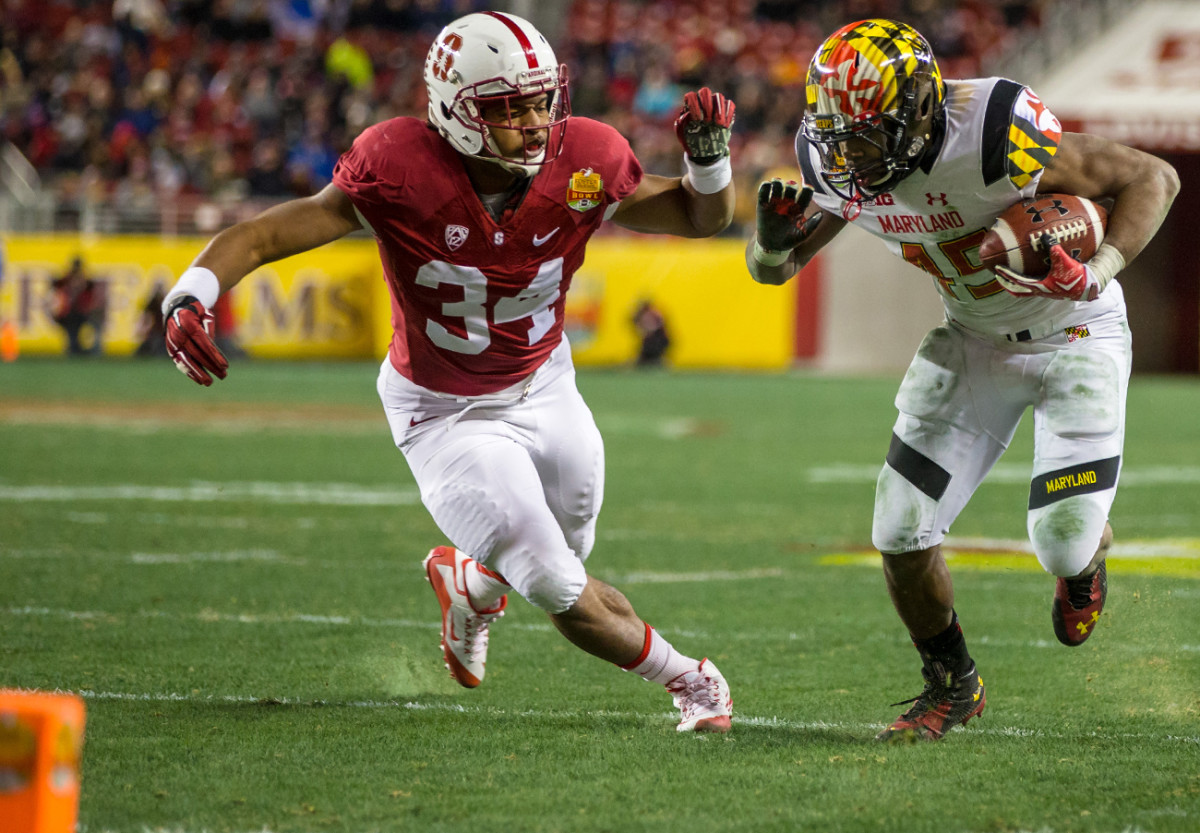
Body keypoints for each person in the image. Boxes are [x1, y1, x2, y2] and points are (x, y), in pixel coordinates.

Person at [160, 11, 737, 733]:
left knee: (572, 544)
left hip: (545, 381)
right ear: (456, 111)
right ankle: (693, 681)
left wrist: (709, 161)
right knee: (555, 578)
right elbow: (274, 228)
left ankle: (468, 581)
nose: (533, 122)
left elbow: (700, 216)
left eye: (539, 100)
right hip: (445, 410)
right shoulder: (399, 164)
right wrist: (193, 291)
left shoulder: (586, 155)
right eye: (509, 108)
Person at [745, 19, 1179, 742]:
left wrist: (1097, 272)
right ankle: (952, 683)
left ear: (919, 109)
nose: (847, 151)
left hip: (1075, 331)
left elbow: (1151, 176)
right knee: (899, 529)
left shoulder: (995, 134)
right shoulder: (837, 160)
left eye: (865, 132)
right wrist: (768, 242)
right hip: (974, 339)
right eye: (838, 133)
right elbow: (777, 269)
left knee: (1064, 543)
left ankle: (1086, 559)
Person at [49, 256, 107, 356]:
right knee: (72, 332)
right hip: (70, 316)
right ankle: (75, 350)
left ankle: (93, 352)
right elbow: (55, 287)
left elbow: (92, 302)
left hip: (83, 314)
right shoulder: (65, 282)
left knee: (94, 324)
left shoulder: (87, 284)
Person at [631, 298, 670, 367]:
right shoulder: (650, 314)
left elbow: (651, 329)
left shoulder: (652, 314)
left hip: (658, 341)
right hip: (656, 341)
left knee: (651, 355)